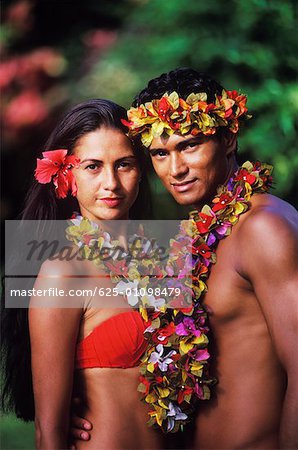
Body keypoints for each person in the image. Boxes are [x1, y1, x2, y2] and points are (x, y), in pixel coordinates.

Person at [72, 69, 298, 449]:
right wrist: (84, 406)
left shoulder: (265, 227)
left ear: (227, 139)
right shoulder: (199, 236)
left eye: (189, 146)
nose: (175, 170)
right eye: (160, 153)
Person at [2, 99, 166, 449]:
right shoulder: (63, 273)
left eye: (124, 164)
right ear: (66, 176)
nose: (111, 183)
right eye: (92, 166)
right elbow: (49, 434)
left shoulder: (164, 261)